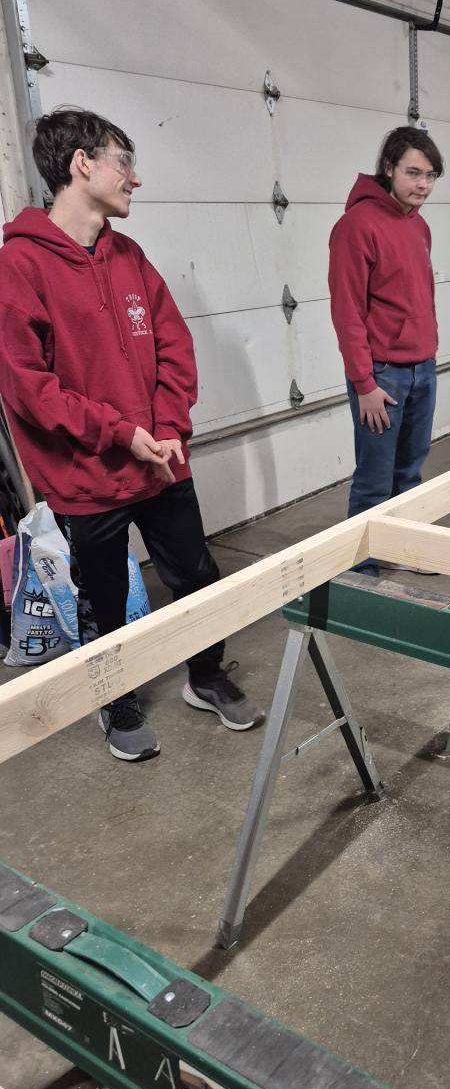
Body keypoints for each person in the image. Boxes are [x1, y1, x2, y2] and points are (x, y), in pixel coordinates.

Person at [0, 107, 263, 762]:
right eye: (123, 161)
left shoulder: (129, 256)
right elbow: (29, 388)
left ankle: (206, 677)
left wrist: (167, 427)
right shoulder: (20, 266)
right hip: (88, 477)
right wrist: (120, 433)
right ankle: (116, 702)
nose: (134, 178)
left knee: (197, 576)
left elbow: (174, 346)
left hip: (160, 461)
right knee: (105, 600)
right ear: (81, 164)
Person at [328, 125, 444, 576]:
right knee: (375, 479)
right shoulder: (356, 227)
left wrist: (429, 356)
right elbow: (348, 313)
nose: (423, 185)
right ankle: (362, 569)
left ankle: (404, 549)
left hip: (422, 369)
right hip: (382, 376)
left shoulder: (420, 226)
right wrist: (364, 384)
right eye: (414, 173)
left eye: (430, 175)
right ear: (388, 168)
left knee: (410, 475)